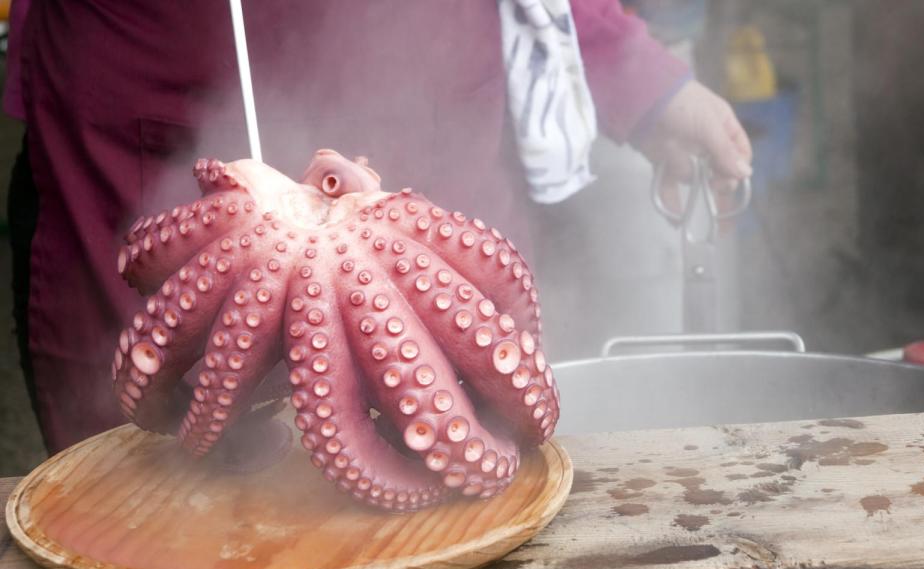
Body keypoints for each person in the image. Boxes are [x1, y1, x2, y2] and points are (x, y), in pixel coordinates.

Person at [6, 0, 751, 453]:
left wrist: (617, 63)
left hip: (440, 103)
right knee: (164, 500)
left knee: (458, 486)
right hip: (162, 99)